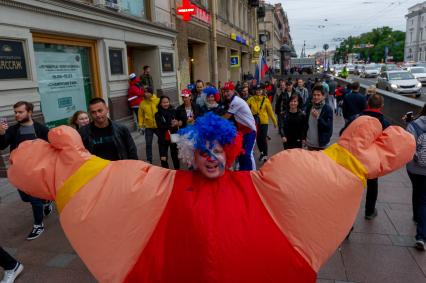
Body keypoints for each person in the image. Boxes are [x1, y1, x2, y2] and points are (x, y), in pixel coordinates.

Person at [7, 111, 415, 282]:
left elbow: (307, 183)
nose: (212, 157)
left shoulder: (261, 187)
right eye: (203, 151)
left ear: (231, 151)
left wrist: (346, 162)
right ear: (190, 153)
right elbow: (115, 186)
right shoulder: (161, 187)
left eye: (219, 150)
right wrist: (70, 171)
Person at [0, 101, 52, 240]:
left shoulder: (40, 128)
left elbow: (51, 145)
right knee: (25, 198)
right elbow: (2, 145)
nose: (17, 115)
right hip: (20, 171)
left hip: (36, 171)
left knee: (34, 198)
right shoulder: (13, 130)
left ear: (29, 112)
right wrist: (1, 133)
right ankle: (46, 201)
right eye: (15, 112)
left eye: (20, 112)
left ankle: (38, 224)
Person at [361, 94, 390, 220]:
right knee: (372, 185)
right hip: (374, 158)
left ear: (368, 103)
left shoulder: (359, 118)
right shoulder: (384, 122)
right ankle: (369, 211)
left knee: (355, 186)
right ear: (381, 107)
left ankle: (349, 218)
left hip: (358, 156)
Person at [222, 81, 257, 170]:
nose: (226, 93)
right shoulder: (232, 101)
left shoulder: (235, 101)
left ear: (233, 90)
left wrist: (211, 120)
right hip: (242, 132)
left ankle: (251, 174)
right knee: (241, 154)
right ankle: (243, 173)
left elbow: (225, 117)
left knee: (247, 154)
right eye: (224, 91)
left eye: (228, 91)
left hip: (250, 131)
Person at [406, 103, 426, 250]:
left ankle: (416, 215)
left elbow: (408, 144)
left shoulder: (414, 124)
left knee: (417, 191)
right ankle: (421, 237)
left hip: (414, 168)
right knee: (424, 200)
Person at [247, 85, 277, 162]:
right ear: (255, 91)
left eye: (260, 90)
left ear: (262, 91)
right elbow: (245, 108)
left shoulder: (266, 100)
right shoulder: (251, 99)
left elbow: (270, 112)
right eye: (257, 90)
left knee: (263, 138)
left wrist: (274, 122)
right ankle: (262, 153)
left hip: (264, 122)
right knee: (258, 139)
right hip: (254, 122)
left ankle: (265, 155)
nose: (258, 91)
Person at [155, 95, 186, 169]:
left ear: (169, 102)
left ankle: (177, 171)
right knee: (163, 158)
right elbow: (161, 126)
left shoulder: (174, 111)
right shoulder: (157, 114)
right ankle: (166, 173)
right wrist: (171, 124)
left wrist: (178, 122)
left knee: (175, 156)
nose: (166, 104)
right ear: (160, 103)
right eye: (164, 102)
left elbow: (181, 119)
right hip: (163, 138)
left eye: (167, 102)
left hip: (173, 137)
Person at [305, 85, 333, 150]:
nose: (316, 97)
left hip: (322, 145)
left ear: (323, 96)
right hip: (310, 144)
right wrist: (304, 137)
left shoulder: (327, 109)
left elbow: (328, 127)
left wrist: (318, 117)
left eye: (318, 95)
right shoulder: (309, 107)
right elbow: (305, 125)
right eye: (314, 95)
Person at [138, 86, 160, 164]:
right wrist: (140, 126)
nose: (146, 94)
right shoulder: (142, 103)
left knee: (162, 141)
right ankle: (149, 159)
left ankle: (163, 156)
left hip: (158, 126)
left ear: (151, 92)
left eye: (148, 92)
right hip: (148, 127)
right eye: (145, 92)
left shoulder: (157, 101)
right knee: (148, 143)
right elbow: (140, 115)